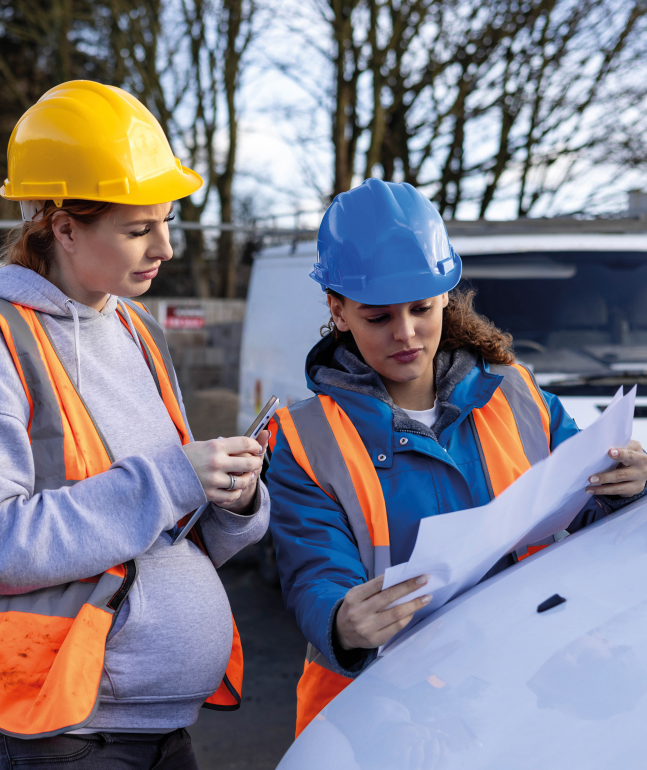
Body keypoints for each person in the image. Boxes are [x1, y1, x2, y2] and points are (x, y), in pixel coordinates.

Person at [0, 81, 270, 770]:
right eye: (138, 228)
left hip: (153, 730)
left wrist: (229, 498)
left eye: (167, 221)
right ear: (60, 225)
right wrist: (171, 477)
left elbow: (160, 526)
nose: (165, 246)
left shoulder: (135, 330)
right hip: (52, 740)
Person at [265, 179, 647, 738]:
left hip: (527, 694)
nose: (407, 333)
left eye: (422, 308)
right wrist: (341, 621)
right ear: (338, 310)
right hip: (381, 716)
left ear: (445, 294)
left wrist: (630, 483)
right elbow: (315, 569)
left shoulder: (516, 392)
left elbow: (588, 500)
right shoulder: (303, 437)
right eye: (378, 317)